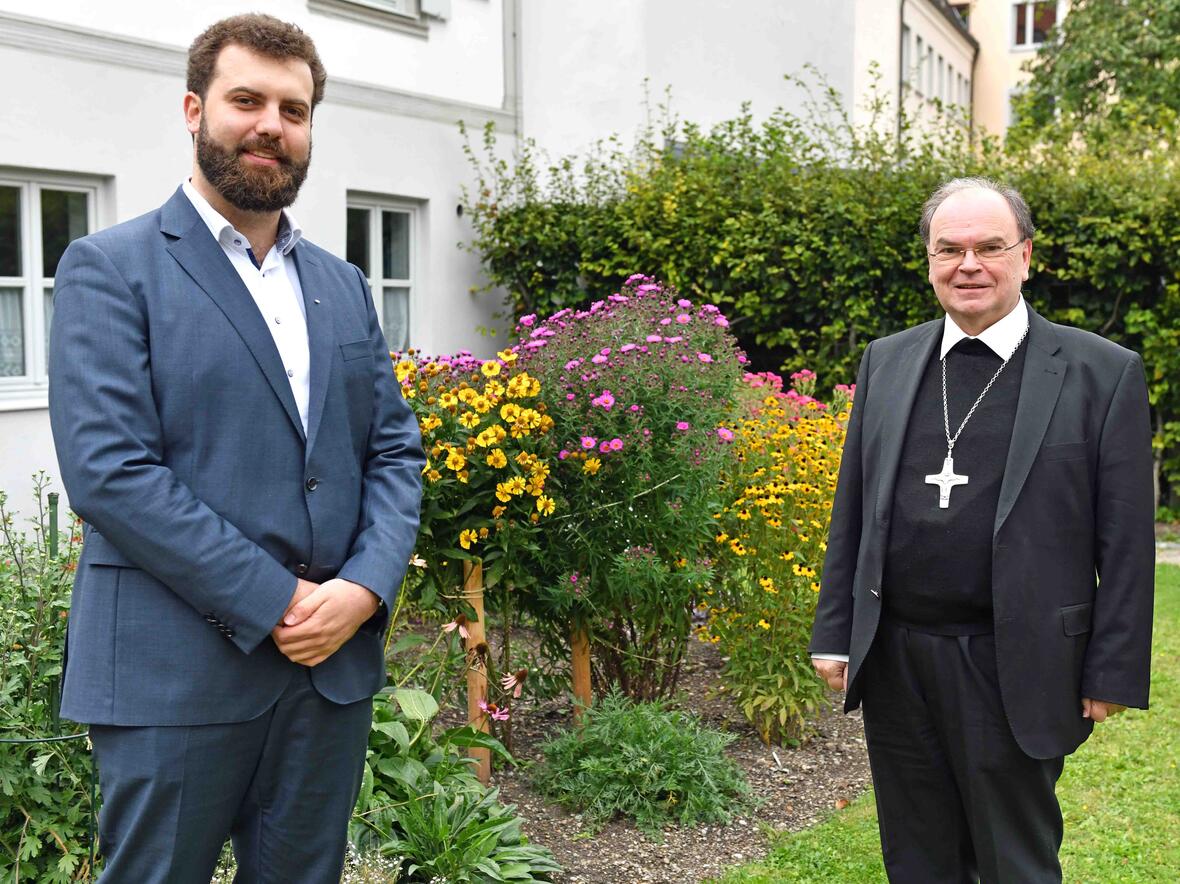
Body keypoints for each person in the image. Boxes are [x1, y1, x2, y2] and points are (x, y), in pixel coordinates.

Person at [48, 14, 424, 882]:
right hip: (172, 673)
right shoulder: (111, 267)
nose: (271, 126)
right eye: (246, 101)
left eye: (294, 110)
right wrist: (279, 599)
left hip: (327, 676)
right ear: (195, 110)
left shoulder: (341, 284)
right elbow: (110, 473)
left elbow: (393, 452)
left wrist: (365, 588)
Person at [810, 178, 1154, 882]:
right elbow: (855, 505)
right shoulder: (887, 360)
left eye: (989, 247)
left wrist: (1113, 668)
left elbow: (1126, 543)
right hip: (897, 658)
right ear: (929, 261)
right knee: (917, 859)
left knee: (1014, 862)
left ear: (1024, 256)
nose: (969, 265)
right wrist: (835, 630)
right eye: (950, 249)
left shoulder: (1101, 372)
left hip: (1015, 659)